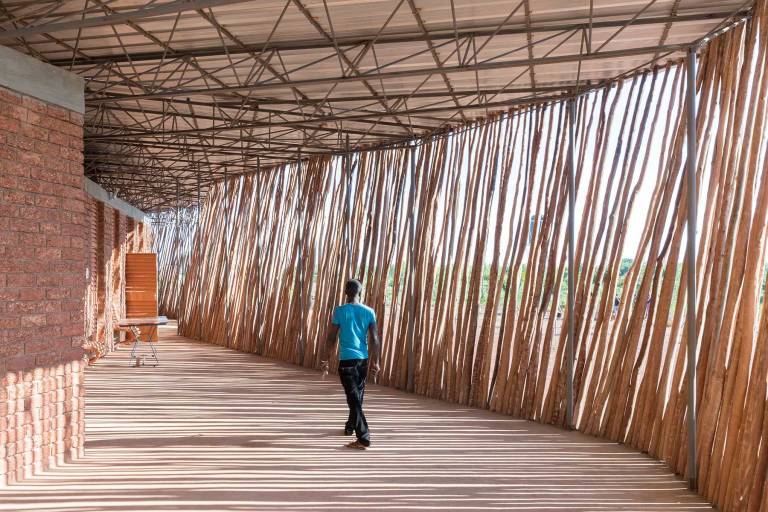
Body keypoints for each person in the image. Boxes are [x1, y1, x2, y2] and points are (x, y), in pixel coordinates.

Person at [320, 279, 380, 450]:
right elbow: (375, 339)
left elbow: (331, 337)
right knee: (357, 396)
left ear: (346, 292)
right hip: (363, 360)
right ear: (360, 292)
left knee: (353, 398)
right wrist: (376, 361)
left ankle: (364, 437)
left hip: (346, 360)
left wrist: (325, 358)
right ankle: (350, 425)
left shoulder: (340, 311)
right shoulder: (369, 312)